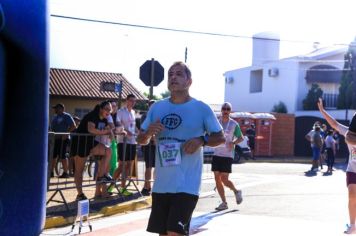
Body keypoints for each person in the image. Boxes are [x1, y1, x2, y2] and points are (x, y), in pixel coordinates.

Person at [137, 61, 225, 236]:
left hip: (187, 185)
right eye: (170, 74)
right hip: (161, 185)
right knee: (163, 233)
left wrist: (202, 140)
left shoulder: (201, 108)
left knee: (174, 232)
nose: (173, 77)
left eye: (178, 74)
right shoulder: (157, 107)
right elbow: (140, 139)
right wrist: (147, 133)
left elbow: (220, 137)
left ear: (189, 81)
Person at [317, 98, 356, 234]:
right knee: (352, 194)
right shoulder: (348, 132)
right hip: (353, 170)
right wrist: (322, 111)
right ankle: (352, 225)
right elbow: (334, 124)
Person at [71, 101, 113, 200]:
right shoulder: (93, 115)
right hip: (80, 143)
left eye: (110, 110)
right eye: (107, 109)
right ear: (101, 109)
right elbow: (91, 129)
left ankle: (102, 176)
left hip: (91, 143)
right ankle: (80, 194)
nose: (109, 111)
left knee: (108, 151)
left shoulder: (105, 118)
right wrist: (106, 131)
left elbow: (109, 129)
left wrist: (110, 131)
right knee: (79, 170)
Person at [212, 102, 244, 211]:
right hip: (217, 153)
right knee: (217, 178)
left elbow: (241, 138)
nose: (225, 111)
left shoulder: (234, 124)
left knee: (224, 180)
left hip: (227, 155)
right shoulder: (216, 123)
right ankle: (224, 203)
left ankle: (236, 191)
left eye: (228, 109)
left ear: (230, 111)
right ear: (221, 110)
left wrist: (233, 143)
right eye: (224, 109)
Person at [112, 94, 139, 196]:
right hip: (122, 141)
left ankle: (123, 188)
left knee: (128, 165)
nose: (133, 102)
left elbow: (134, 126)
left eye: (134, 101)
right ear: (126, 101)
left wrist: (139, 132)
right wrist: (127, 131)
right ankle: (111, 186)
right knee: (121, 165)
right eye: (131, 100)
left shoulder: (133, 112)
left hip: (132, 142)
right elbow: (119, 125)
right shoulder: (120, 111)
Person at [50, 103, 76, 178]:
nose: (55, 110)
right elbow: (52, 128)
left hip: (63, 139)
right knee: (53, 156)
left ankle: (65, 173)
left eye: (57, 108)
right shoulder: (55, 117)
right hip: (55, 139)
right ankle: (51, 172)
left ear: (62, 109)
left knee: (62, 156)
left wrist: (66, 133)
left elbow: (73, 126)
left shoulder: (66, 116)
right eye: (55, 108)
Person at [141, 100, 156, 196]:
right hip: (148, 145)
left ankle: (153, 187)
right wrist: (153, 138)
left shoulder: (158, 115)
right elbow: (144, 130)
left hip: (156, 145)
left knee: (157, 167)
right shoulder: (145, 116)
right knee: (148, 166)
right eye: (151, 106)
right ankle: (147, 187)